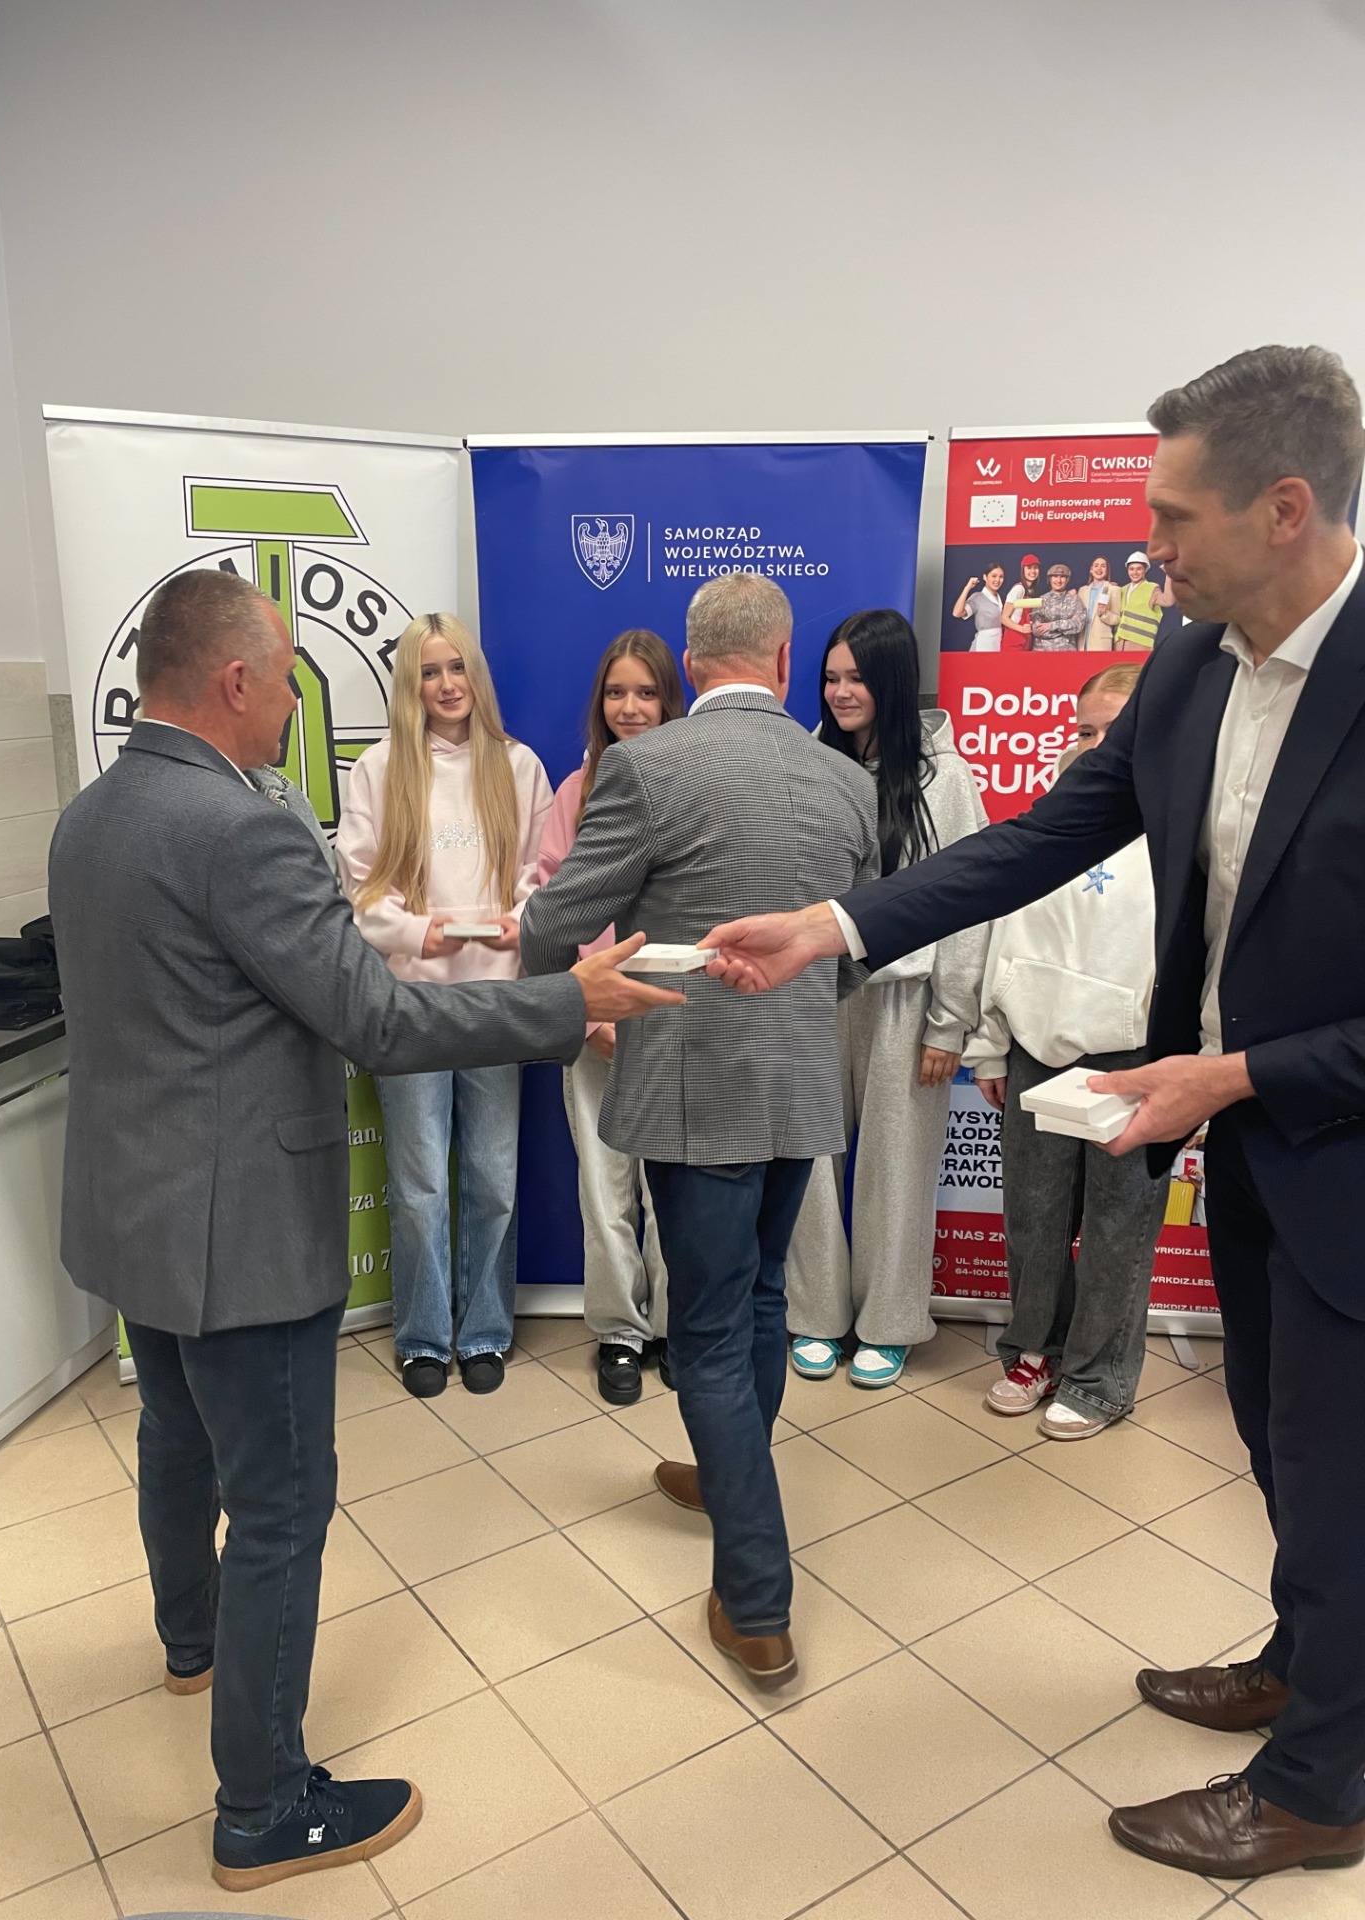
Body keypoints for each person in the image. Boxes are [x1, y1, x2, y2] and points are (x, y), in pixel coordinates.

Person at [701, 344, 1365, 1881]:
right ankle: (1310, 1666)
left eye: (1174, 517)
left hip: (1333, 1147)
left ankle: (1322, 1785)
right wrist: (838, 923)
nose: (1148, 549)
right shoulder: (1191, 665)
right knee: (1281, 1444)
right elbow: (1044, 837)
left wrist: (1238, 1075)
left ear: (1284, 509)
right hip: (1248, 1149)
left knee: (1342, 1471)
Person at [48, 572, 680, 1892]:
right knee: (282, 1504)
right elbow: (379, 1022)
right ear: (233, 680)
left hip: (133, 1210)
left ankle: (190, 1643)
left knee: (175, 1437)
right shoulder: (241, 830)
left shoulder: (92, 814)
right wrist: (566, 1001)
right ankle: (263, 1807)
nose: (295, 701)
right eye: (285, 676)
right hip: (238, 1228)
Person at [520, 572, 878, 1689]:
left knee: (714, 1331)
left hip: (694, 1089)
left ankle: (756, 1602)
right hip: (801, 1083)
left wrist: (560, 994)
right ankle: (730, 1476)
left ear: (691, 662)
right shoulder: (844, 779)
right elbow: (860, 940)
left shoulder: (646, 768)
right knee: (759, 1301)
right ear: (783, 662)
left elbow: (554, 922)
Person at [336, 614, 553, 1399]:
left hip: (495, 1000)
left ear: (475, 675)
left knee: (493, 1176)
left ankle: (485, 1330)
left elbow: (541, 875)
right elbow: (360, 887)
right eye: (430, 672)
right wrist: (413, 932)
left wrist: (519, 920)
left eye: (457, 667)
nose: (447, 684)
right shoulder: (379, 769)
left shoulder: (518, 766)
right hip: (411, 1004)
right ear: (411, 684)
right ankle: (424, 1338)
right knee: (421, 1182)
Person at [785, 611, 987, 1387]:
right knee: (805, 1163)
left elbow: (972, 903)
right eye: (831, 678)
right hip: (813, 993)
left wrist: (950, 1023)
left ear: (894, 682)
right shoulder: (807, 764)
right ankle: (814, 1314)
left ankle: (889, 1323)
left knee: (896, 1170)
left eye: (858, 679)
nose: (841, 693)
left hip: (905, 1001)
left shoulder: (944, 777)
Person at [967, 663, 1168, 1438]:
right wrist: (991, 1046)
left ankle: (1099, 1377)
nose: (1096, 744)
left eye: (1116, 730)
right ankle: (1034, 1352)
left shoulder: (1180, 826)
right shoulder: (1049, 816)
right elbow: (1003, 932)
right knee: (1035, 1215)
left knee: (1119, 1225)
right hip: (1036, 1046)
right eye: (1086, 728)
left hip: (1134, 1055)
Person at [537, 629, 686, 1404]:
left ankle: (673, 1326)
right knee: (604, 1186)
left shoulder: (694, 782)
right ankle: (621, 1333)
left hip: (673, 1017)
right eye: (617, 692)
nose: (630, 707)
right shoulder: (577, 792)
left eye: (646, 692)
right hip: (595, 1020)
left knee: (675, 1187)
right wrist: (589, 1012)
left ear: (669, 700)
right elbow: (551, 907)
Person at [1116, 549, 1176, 650]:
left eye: (1139, 569)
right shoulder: (1122, 590)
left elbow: (1168, 600)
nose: (1135, 572)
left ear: (1145, 570)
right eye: (1131, 569)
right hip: (1119, 645)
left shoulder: (1151, 588)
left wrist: (1169, 574)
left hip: (1140, 645)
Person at [1030, 562, 1089, 650]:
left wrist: (1051, 626)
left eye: (1062, 577)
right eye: (1055, 576)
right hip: (1042, 652)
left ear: (1067, 579)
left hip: (1067, 652)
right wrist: (1065, 630)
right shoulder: (1041, 600)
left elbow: (1079, 625)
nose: (1058, 580)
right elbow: (1037, 630)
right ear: (1049, 579)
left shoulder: (1074, 600)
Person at [950, 563, 1007, 650]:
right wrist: (967, 587)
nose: (997, 580)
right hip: (983, 645)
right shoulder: (978, 597)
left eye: (1001, 577)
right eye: (994, 576)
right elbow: (957, 613)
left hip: (998, 644)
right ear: (985, 577)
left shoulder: (1001, 598)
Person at [1078, 555, 1121, 651]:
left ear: (1107, 570)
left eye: (1103, 566)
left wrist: (1103, 614)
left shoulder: (1114, 589)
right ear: (1091, 569)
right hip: (1082, 642)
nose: (1099, 568)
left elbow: (1116, 618)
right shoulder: (1082, 591)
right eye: (1096, 565)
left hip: (1101, 643)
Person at [1001, 553, 1043, 650]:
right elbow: (1004, 618)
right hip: (1013, 642)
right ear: (1023, 569)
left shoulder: (1031, 591)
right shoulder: (1018, 589)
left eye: (1035, 567)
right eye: (1029, 567)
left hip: (1025, 642)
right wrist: (1021, 629)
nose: (1033, 571)